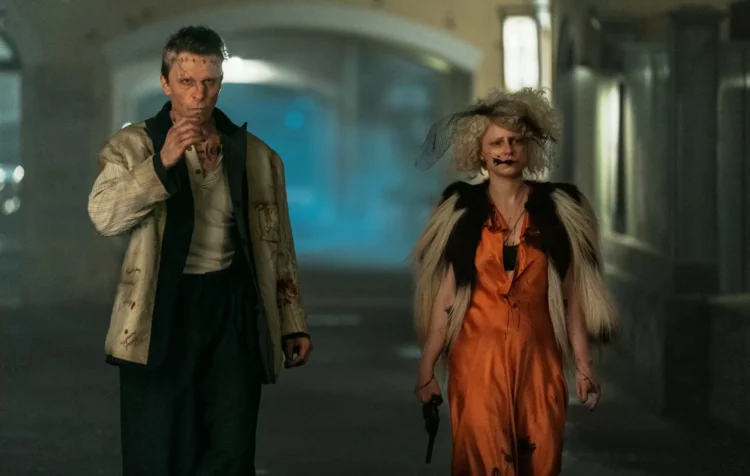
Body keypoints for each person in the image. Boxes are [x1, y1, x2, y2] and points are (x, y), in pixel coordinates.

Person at [87, 25, 312, 476]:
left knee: (231, 448)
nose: (198, 94)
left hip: (231, 309)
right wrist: (161, 162)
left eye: (209, 81)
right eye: (187, 81)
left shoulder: (257, 156)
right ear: (166, 83)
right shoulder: (131, 147)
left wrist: (292, 323)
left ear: (220, 83)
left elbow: (280, 247)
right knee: (158, 448)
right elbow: (105, 218)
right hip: (159, 309)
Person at [411, 88, 618, 475]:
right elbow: (447, 298)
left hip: (539, 365)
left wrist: (584, 366)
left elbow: (571, 296)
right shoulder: (462, 211)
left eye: (515, 141)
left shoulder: (557, 211)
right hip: (477, 365)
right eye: (496, 142)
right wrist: (427, 368)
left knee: (541, 462)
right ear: (479, 151)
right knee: (483, 463)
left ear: (528, 148)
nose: (506, 150)